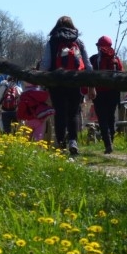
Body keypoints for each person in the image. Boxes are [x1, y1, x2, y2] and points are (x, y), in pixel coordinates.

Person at [39, 15, 93, 156]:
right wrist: (91, 84)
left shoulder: (52, 41)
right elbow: (87, 65)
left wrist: (42, 81)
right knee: (73, 112)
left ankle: (61, 144)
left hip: (57, 82)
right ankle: (73, 141)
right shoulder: (78, 41)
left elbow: (45, 65)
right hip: (75, 81)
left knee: (60, 113)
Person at [90, 35, 124, 154]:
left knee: (102, 119)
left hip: (99, 93)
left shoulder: (94, 59)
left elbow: (90, 76)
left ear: (99, 46)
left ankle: (107, 143)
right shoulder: (115, 59)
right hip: (113, 93)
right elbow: (121, 74)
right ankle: (111, 141)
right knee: (111, 118)